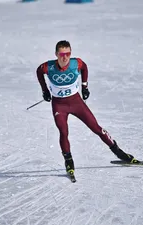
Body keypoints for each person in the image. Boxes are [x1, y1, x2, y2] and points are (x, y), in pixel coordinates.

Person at [36, 40, 137, 176]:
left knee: (97, 128)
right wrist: (45, 91)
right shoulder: (47, 67)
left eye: (67, 53)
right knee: (63, 132)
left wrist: (84, 86)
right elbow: (38, 71)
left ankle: (119, 152)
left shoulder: (75, 63)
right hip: (59, 105)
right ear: (56, 54)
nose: (65, 57)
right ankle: (69, 161)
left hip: (76, 102)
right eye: (61, 54)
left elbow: (84, 67)